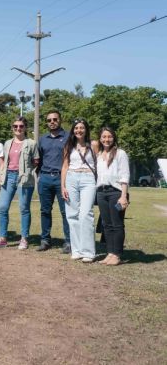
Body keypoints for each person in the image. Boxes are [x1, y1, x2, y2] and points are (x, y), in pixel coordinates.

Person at [0, 116, 39, 250]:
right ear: (12, 128)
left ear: (25, 128)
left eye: (21, 126)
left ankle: (24, 238)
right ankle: (3, 238)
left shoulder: (32, 143)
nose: (18, 128)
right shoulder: (7, 143)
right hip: (8, 177)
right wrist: (0, 179)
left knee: (24, 208)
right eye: (15, 126)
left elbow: (36, 161)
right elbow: (4, 162)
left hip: (24, 179)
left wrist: (27, 172)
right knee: (2, 208)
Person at [61, 118, 99, 262]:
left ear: (86, 129)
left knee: (86, 214)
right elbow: (64, 166)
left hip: (88, 179)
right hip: (71, 178)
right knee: (72, 215)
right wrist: (63, 186)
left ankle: (88, 252)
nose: (79, 130)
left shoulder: (93, 145)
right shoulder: (68, 146)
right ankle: (76, 250)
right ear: (73, 130)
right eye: (76, 128)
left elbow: (98, 163)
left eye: (82, 127)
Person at [36, 110, 71, 253]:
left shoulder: (69, 136)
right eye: (49, 120)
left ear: (60, 120)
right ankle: (45, 240)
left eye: (55, 119)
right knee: (45, 211)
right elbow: (38, 159)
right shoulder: (42, 139)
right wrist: (39, 176)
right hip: (44, 178)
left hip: (62, 179)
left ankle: (69, 241)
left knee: (65, 211)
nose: (52, 122)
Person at [95, 127, 130, 266]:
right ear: (100, 138)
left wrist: (123, 196)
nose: (106, 139)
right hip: (101, 193)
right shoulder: (99, 155)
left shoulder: (120, 154)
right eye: (104, 137)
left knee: (117, 224)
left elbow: (125, 175)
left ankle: (117, 254)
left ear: (114, 138)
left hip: (116, 192)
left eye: (109, 136)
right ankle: (110, 253)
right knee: (106, 225)